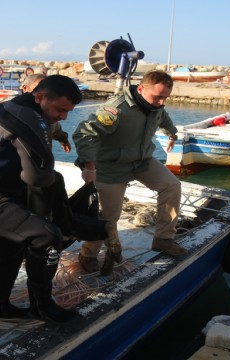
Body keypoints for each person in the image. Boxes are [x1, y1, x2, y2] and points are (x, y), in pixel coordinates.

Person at [0, 75, 85, 323]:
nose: (64, 117)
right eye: (60, 110)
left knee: (11, 249)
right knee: (46, 235)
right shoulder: (29, 121)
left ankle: (0, 307)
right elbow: (37, 177)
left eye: (68, 111)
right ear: (40, 97)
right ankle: (42, 307)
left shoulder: (18, 105)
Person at [72, 70, 185, 274]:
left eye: (165, 97)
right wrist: (89, 167)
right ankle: (88, 253)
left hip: (141, 161)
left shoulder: (155, 106)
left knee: (172, 186)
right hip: (110, 167)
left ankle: (163, 239)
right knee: (108, 217)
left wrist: (172, 134)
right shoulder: (116, 109)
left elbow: (163, 117)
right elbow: (84, 133)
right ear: (141, 89)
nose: (161, 102)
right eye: (157, 97)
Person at [0, 73, 72, 153]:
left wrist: (64, 140)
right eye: (38, 87)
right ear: (25, 88)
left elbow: (54, 127)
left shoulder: (45, 109)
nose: (42, 92)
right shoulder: (7, 105)